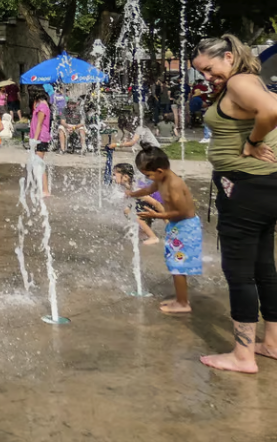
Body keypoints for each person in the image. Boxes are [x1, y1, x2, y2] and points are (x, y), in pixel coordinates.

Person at [192, 35, 277, 373]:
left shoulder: (241, 81)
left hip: (245, 189)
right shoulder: (248, 81)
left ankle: (242, 356)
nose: (208, 78)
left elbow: (271, 111)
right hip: (263, 186)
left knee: (239, 272)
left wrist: (252, 142)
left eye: (211, 70)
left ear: (229, 57)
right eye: (202, 73)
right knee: (263, 268)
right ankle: (270, 342)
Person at [126, 144, 201, 314]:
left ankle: (183, 303)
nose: (148, 178)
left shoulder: (173, 185)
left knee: (178, 265)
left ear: (159, 171)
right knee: (174, 263)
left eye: (148, 174)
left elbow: (182, 211)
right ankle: (181, 298)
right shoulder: (160, 180)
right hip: (178, 226)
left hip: (185, 227)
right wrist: (132, 194)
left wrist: (157, 215)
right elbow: (148, 189)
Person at [112, 163, 162, 245]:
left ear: (125, 177)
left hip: (163, 205)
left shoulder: (136, 189)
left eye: (115, 174)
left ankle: (153, 237)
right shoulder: (130, 186)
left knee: (130, 212)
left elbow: (156, 203)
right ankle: (144, 231)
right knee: (131, 208)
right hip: (156, 204)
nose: (113, 177)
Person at [29, 89, 52, 197]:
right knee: (38, 164)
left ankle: (45, 190)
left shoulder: (42, 107)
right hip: (41, 138)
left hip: (41, 138)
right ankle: (42, 189)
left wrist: (35, 140)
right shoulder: (42, 106)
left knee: (39, 165)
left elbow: (39, 124)